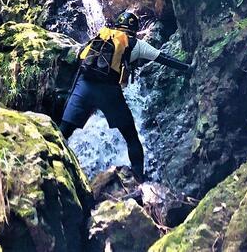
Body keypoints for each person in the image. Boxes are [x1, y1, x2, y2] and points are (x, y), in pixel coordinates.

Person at [59, 11, 194, 182]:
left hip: (84, 86)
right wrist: (187, 68)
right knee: (131, 137)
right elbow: (163, 58)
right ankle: (139, 179)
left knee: (63, 132)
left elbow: (80, 57)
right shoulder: (136, 44)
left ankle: (51, 166)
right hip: (109, 93)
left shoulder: (103, 35)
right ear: (135, 29)